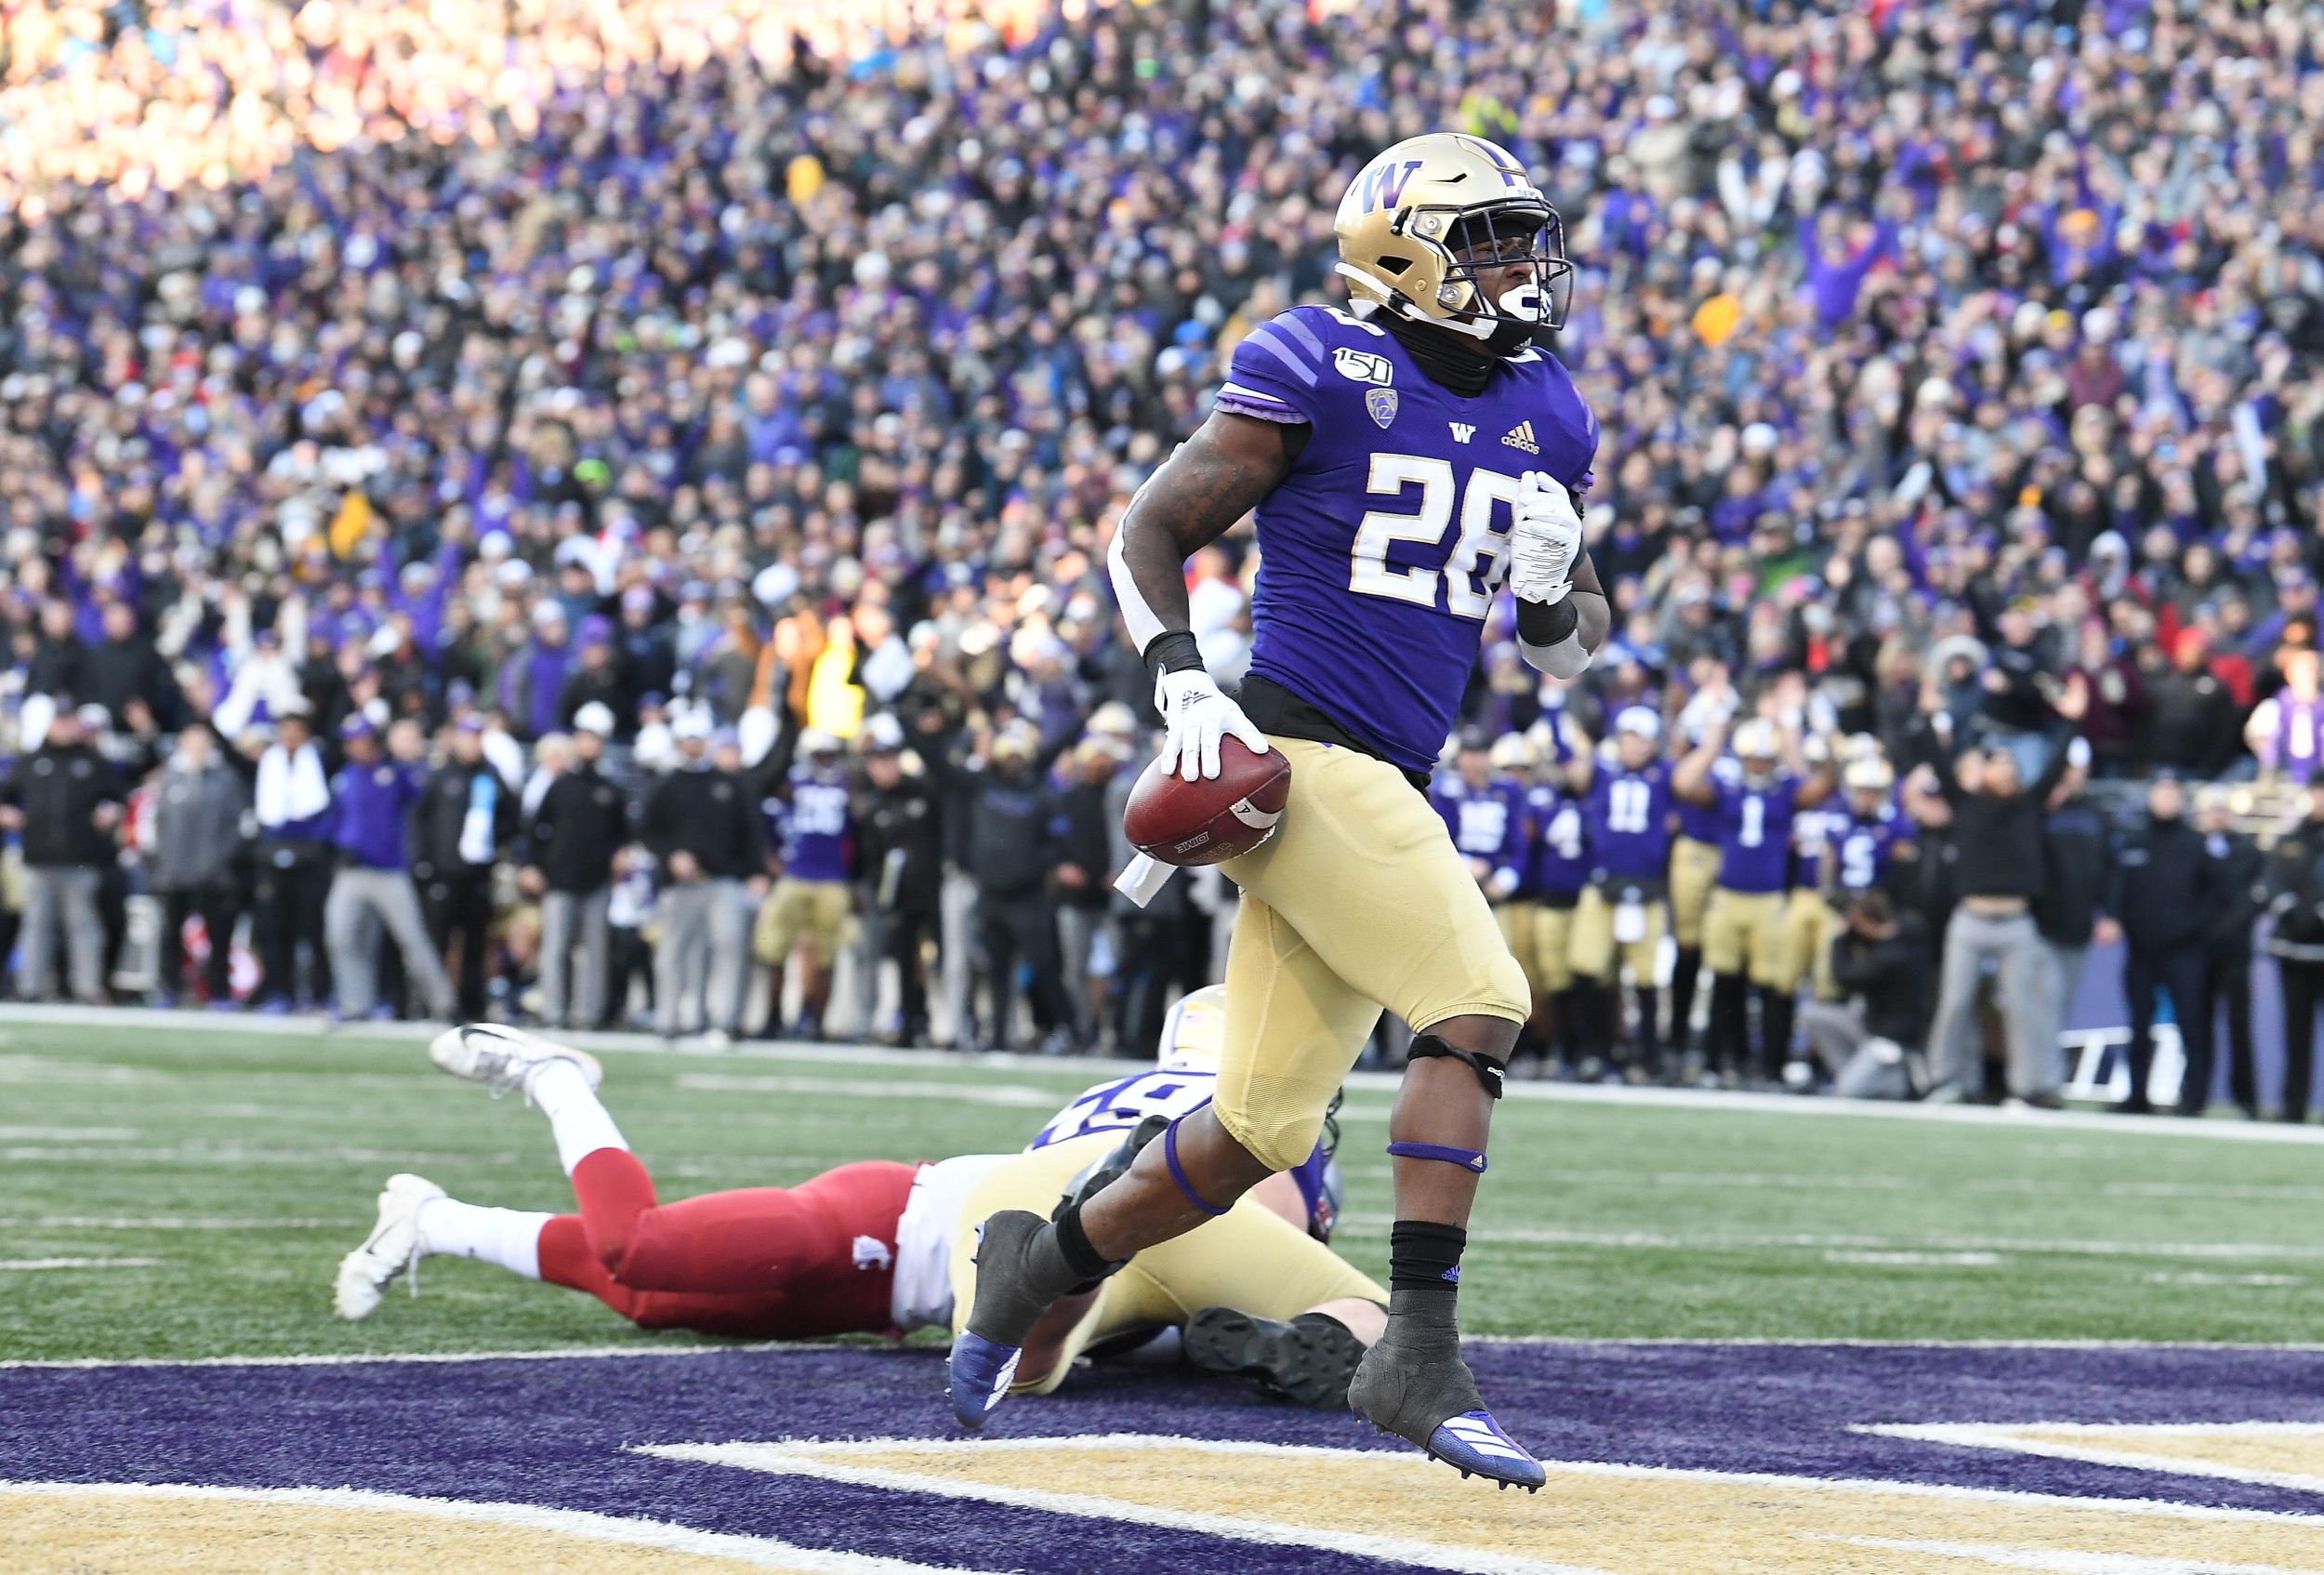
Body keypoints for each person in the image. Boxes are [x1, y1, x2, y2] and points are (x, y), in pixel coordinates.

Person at [971, 132, 1610, 1489]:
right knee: (1475, 997)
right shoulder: (1323, 360)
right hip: (1305, 753)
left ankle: (1043, 1258)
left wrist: (1555, 589)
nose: (1519, 266)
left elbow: (1563, 647)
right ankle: (1417, 1347)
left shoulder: (1549, 406)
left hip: (1391, 772)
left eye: (1521, 238)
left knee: (1255, 1130)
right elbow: (1147, 529)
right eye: (1487, 240)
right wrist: (1181, 684)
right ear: (1403, 251)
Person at [337, 1001, 1378, 1411]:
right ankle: (559, 1076)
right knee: (637, 1245)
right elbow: (1258, 1226)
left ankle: (431, 1217)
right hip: (904, 1221)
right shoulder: (1244, 1127)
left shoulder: (1132, 1092)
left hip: (951, 1248)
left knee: (649, 1297)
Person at [1907, 683, 2086, 1105]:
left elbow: (2058, 763)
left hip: (2016, 921)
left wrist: (2073, 719)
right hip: (1970, 919)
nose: (2004, 771)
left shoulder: (2030, 805)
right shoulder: (1965, 803)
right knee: (1954, 1003)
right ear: (1983, 772)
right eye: (1996, 764)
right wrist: (1928, 716)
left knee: (2025, 1009)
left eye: (2010, 766)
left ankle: (2029, 1086)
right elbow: (1934, 757)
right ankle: (1944, 1080)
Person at [1673, 716, 1834, 1085]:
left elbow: (1820, 785)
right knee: (1724, 981)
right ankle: (1717, 1062)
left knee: (1773, 986)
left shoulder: (1785, 788)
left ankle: (1770, 1067)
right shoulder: (1728, 788)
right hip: (1729, 895)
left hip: (1769, 900)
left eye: (1765, 757)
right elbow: (1684, 783)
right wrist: (1712, 743)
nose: (1758, 764)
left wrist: (1806, 741)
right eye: (1752, 757)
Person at [640, 709, 766, 1044]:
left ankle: (725, 1020)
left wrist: (757, 872)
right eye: (687, 740)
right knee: (672, 951)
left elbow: (751, 831)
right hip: (680, 884)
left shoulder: (729, 783)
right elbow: (647, 830)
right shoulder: (666, 784)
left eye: (698, 740)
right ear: (678, 742)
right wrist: (671, 857)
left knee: (730, 947)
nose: (693, 746)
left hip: (724, 879)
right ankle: (668, 1019)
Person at [323, 716, 458, 1023]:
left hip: (389, 871)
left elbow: (423, 790)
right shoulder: (345, 776)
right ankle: (355, 1004)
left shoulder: (395, 774)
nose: (354, 746)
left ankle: (443, 1004)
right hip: (351, 870)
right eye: (350, 741)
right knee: (340, 937)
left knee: (412, 938)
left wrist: (408, 755)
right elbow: (337, 820)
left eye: (359, 740)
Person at [1569, 708, 1677, 1078]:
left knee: (1647, 979)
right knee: (1587, 969)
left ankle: (1648, 1056)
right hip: (1603, 884)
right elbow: (1576, 774)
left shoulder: (1663, 776)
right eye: (1627, 737)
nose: (1633, 745)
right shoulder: (1602, 770)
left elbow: (1691, 780)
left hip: (1647, 889)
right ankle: (1594, 1051)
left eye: (1640, 738)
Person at [2111, 774, 2221, 1115]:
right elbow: (2116, 890)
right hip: (2142, 949)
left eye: (2172, 793)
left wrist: (2193, 929)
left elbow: (2215, 895)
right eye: (2160, 792)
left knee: (2192, 1023)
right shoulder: (2133, 840)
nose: (2165, 799)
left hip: (2186, 950)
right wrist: (2117, 920)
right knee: (2138, 1024)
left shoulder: (2195, 843)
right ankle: (2136, 1095)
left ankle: (2194, 1097)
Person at [7, 706, 123, 1003]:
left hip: (81, 859)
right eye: (59, 720)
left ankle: (87, 987)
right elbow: (6, 794)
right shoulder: (32, 761)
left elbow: (118, 795)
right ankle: (29, 987)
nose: (64, 727)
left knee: (83, 927)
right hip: (38, 858)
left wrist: (110, 811)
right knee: (35, 927)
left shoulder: (91, 761)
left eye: (69, 721)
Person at [523, 702, 627, 1033]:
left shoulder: (609, 790)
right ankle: (554, 1011)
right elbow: (536, 830)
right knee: (555, 948)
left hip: (596, 880)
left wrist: (620, 857)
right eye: (583, 739)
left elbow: (621, 836)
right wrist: (533, 866)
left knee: (595, 951)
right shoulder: (560, 785)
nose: (588, 746)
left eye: (594, 740)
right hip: (559, 878)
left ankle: (588, 1014)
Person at [751, 729, 855, 1041]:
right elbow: (765, 819)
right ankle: (772, 1018)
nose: (826, 760)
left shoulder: (849, 785)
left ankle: (818, 1023)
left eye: (830, 754)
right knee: (773, 950)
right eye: (819, 754)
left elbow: (858, 833)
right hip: (794, 874)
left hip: (833, 878)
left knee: (827, 956)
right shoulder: (790, 784)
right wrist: (770, 861)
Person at [412, 716, 516, 1023]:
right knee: (437, 941)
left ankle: (472, 1006)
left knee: (475, 944)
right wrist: (425, 862)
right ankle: (433, 1003)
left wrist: (496, 844)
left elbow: (511, 819)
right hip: (443, 873)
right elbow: (421, 821)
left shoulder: (491, 778)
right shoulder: (441, 776)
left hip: (478, 874)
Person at [854, 715, 944, 1048]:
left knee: (943, 960)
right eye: (877, 762)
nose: (883, 768)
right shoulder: (873, 805)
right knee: (904, 963)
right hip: (897, 899)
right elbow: (871, 857)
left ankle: (952, 1025)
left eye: (888, 761)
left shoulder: (923, 792)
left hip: (932, 891)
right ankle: (910, 1023)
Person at [146, 722, 249, 1008]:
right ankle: (168, 989)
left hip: (214, 873)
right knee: (170, 936)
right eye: (192, 741)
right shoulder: (170, 777)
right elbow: (159, 823)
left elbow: (236, 826)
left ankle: (220, 992)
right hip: (175, 872)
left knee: (218, 936)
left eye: (202, 741)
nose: (197, 747)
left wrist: (220, 861)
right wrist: (163, 863)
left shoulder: (226, 779)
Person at [1797, 890, 1929, 1097]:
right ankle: (1851, 1072)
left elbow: (1843, 979)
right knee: (1813, 1013)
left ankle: (1900, 1081)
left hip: (1891, 1041)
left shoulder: (1891, 956)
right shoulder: (1901, 935)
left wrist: (1840, 938)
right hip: (1869, 1025)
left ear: (1867, 922)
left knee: (1847, 1092)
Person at [250, 705, 335, 1011]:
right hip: (273, 855)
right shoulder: (268, 762)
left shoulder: (320, 762)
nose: (290, 737)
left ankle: (320, 993)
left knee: (314, 928)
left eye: (296, 731)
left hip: (310, 856)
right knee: (275, 929)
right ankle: (278, 991)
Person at [2196, 784, 2263, 1118]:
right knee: (2197, 1026)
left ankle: (2246, 1099)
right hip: (2199, 951)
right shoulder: (2193, 848)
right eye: (2213, 808)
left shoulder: (2248, 849)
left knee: (2239, 1026)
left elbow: (2254, 899)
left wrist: (2227, 927)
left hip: (2236, 949)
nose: (2218, 814)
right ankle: (2195, 1095)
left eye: (2223, 808)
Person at [2262, 778, 2324, 1122]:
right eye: (2316, 792)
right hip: (2292, 947)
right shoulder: (2291, 839)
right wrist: (2291, 910)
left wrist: (2318, 913)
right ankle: (2293, 1105)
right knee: (2295, 1034)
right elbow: (2272, 881)